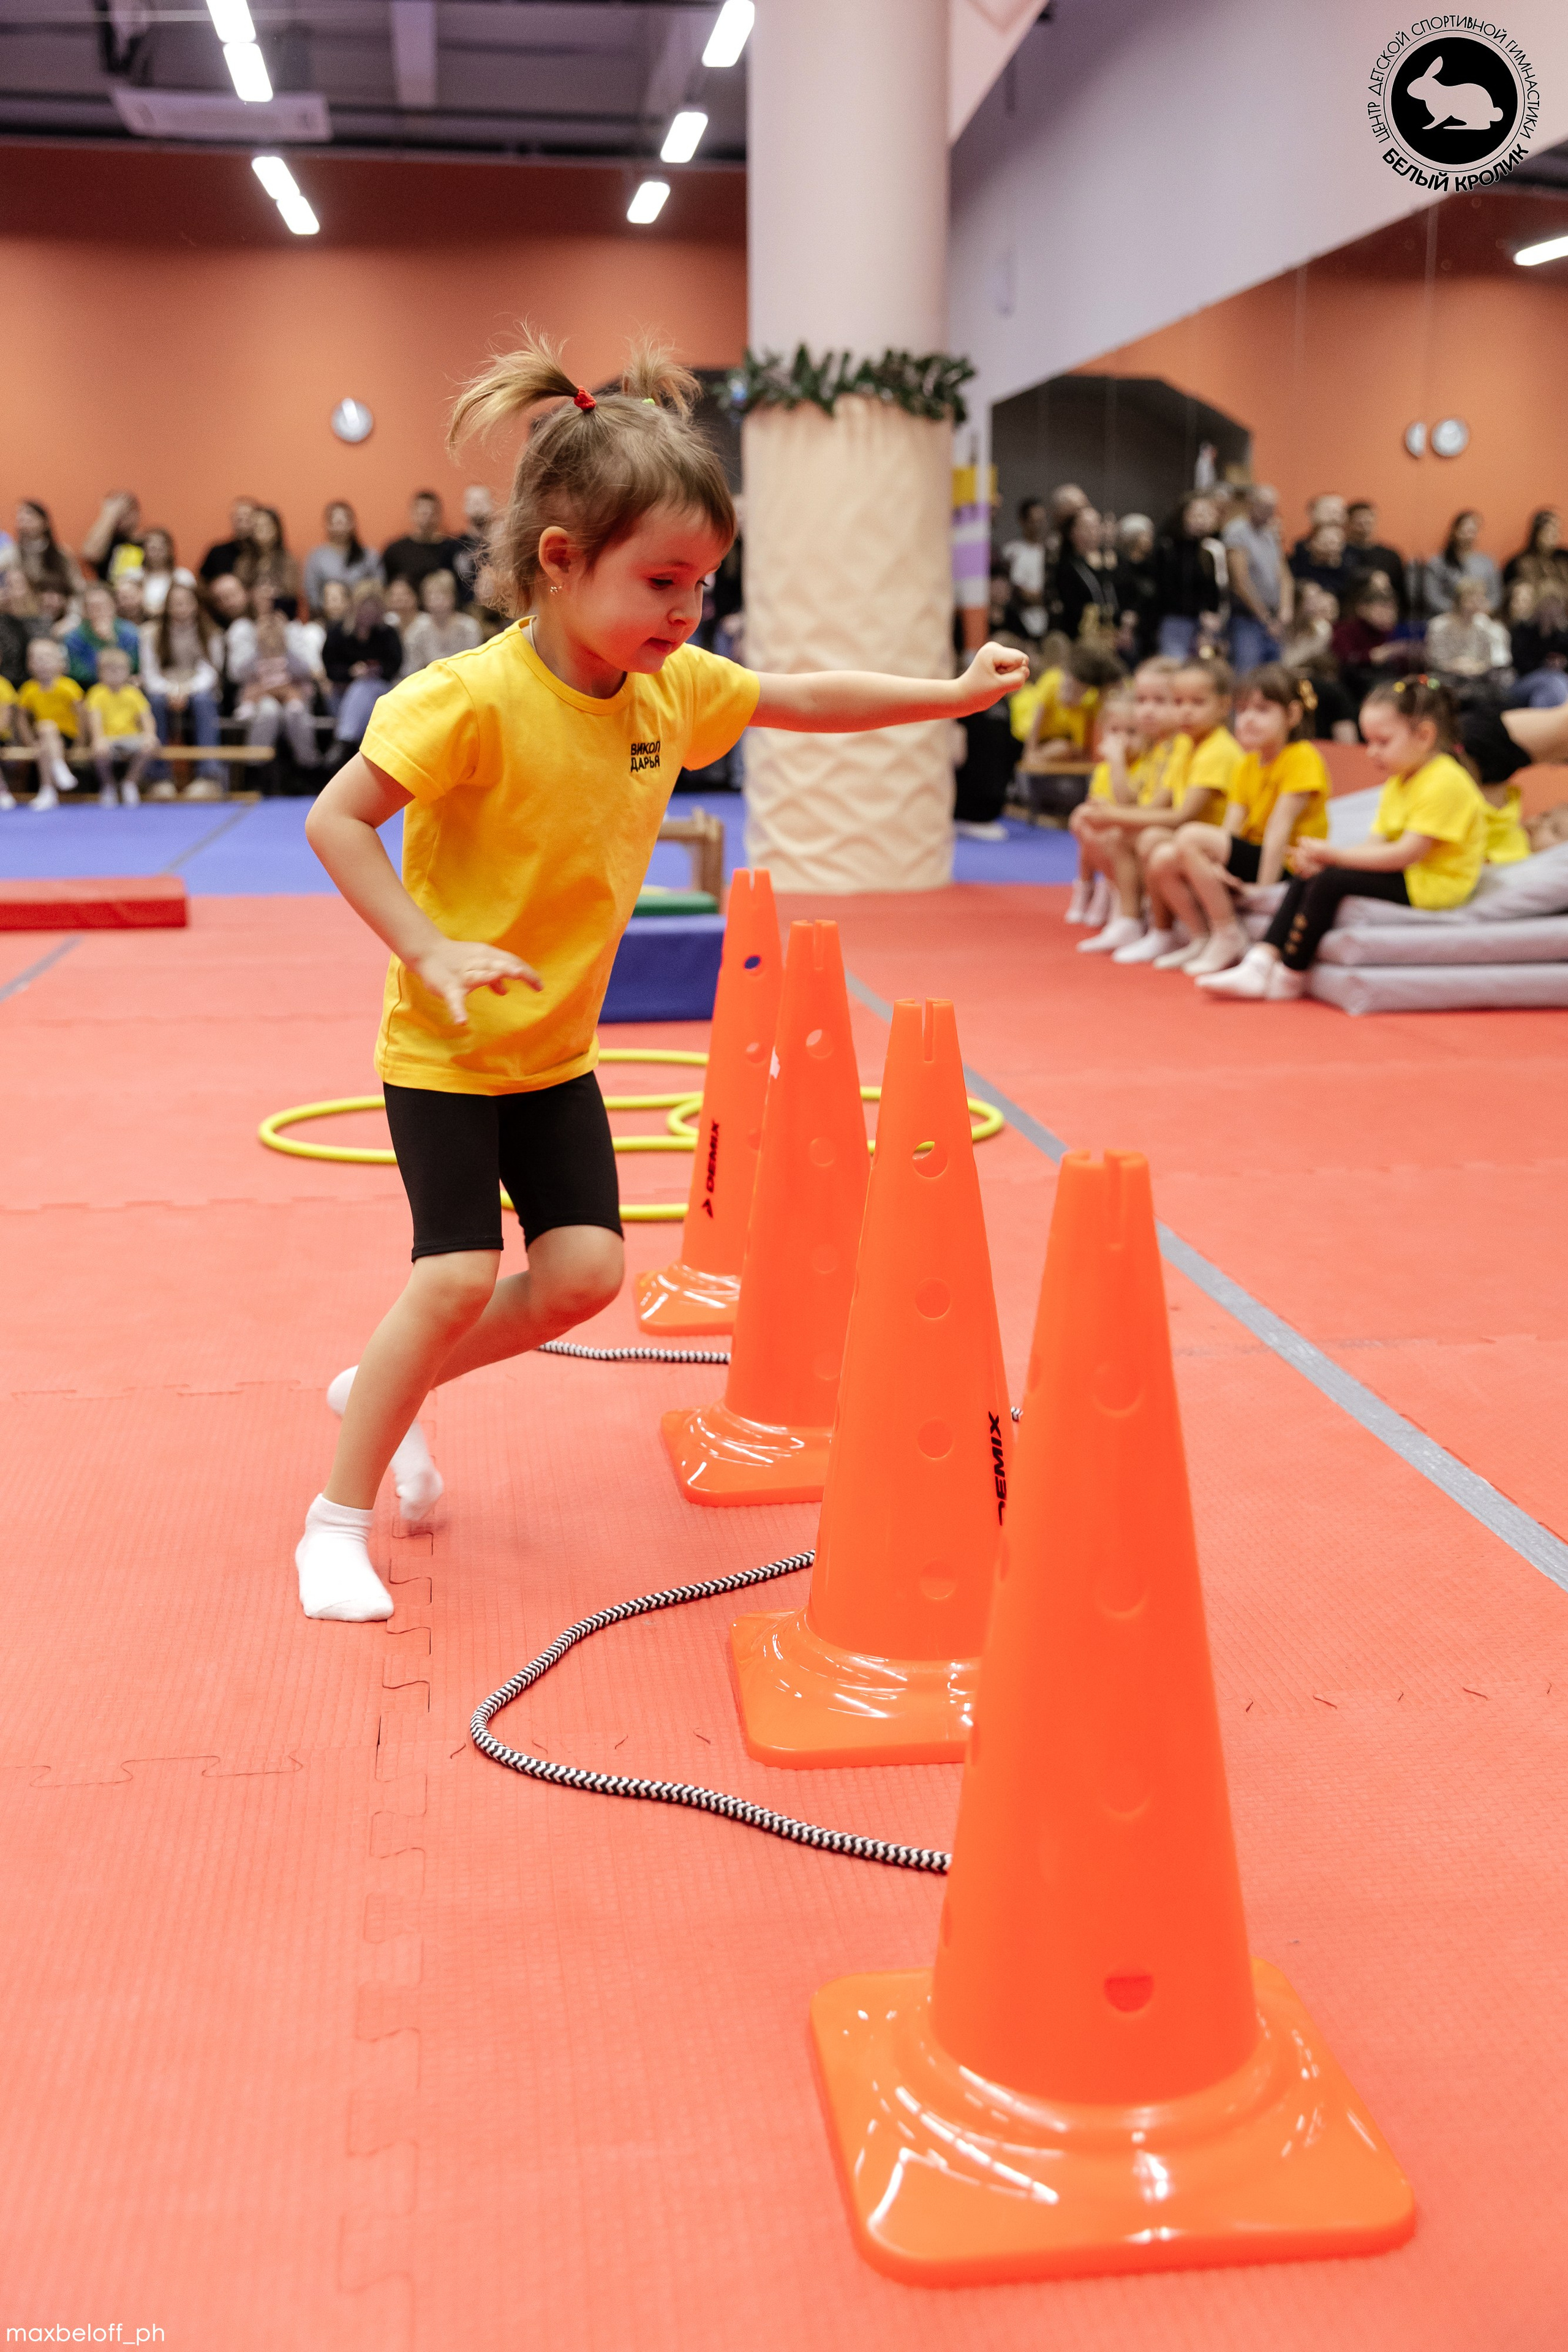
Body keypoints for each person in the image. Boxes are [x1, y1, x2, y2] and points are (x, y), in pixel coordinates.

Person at [290, 330, 1029, 1621]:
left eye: (702, 587)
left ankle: (385, 1385)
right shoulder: (466, 700)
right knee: (453, 1276)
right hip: (449, 1051)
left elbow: (803, 697)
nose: (687, 614)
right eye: (662, 583)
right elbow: (336, 820)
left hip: (555, 1053)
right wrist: (427, 946)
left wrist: (948, 696)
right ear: (559, 561)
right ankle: (333, 1523)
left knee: (585, 1277)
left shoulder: (667, 691)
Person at [1200, 676, 1487, 1001]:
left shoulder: (1445, 781)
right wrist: (1326, 856)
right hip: (1413, 874)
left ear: (1424, 736)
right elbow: (1375, 843)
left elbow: (1406, 854)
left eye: (1383, 742)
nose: (1371, 753)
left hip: (1436, 883)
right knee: (1313, 872)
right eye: (1368, 742)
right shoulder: (1400, 781)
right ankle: (1261, 959)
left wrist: (1335, 858)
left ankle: (1290, 973)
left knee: (1330, 880)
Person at [1162, 666, 1331, 976]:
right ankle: (1201, 936)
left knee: (1190, 836)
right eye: (1242, 711)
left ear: (1293, 715)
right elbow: (1231, 827)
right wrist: (1218, 867)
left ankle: (1228, 933)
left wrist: (1263, 891)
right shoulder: (1247, 764)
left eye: (1262, 710)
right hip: (1255, 853)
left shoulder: (1302, 757)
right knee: (1164, 857)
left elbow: (1279, 831)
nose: (1249, 719)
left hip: (1287, 863)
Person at [1098, 659, 1246, 963]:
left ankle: (1177, 930)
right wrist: (1115, 816)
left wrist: (1114, 815)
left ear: (1223, 706)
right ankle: (1144, 924)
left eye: (1197, 703)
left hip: (1215, 841)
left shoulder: (1218, 750)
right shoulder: (1186, 745)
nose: (1186, 712)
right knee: (1127, 835)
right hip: (1189, 837)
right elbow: (1158, 806)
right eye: (1179, 703)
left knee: (1149, 840)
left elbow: (1183, 816)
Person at [140, 578, 225, 797]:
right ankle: (159, 777)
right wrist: (171, 690)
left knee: (204, 701)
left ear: (196, 604)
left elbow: (210, 672)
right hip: (164, 689)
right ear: (167, 607)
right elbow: (150, 674)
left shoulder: (210, 632)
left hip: (198, 689)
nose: (181, 608)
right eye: (175, 603)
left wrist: (186, 689)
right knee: (154, 703)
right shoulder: (151, 633)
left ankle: (209, 774)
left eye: (186, 602)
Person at [1065, 683, 1138, 922]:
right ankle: (1085, 886)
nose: (1122, 740)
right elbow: (1094, 801)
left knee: (1106, 833)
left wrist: (1118, 763)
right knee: (1083, 822)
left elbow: (1126, 804)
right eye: (1114, 731)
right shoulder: (1103, 769)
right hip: (1106, 826)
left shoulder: (1138, 766)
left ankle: (1110, 887)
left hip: (1124, 828)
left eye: (1131, 732)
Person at [233, 612, 321, 777]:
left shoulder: (292, 640)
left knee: (295, 713)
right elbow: (238, 673)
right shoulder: (254, 647)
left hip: (291, 693)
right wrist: (259, 646)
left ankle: (308, 767)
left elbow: (306, 670)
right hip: (262, 696)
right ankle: (255, 770)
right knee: (269, 711)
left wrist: (285, 646)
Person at [324, 584, 404, 751]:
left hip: (378, 689)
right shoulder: (338, 632)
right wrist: (351, 672)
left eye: (373, 608)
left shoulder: (388, 634)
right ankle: (359, 746)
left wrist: (375, 671)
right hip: (342, 689)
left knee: (364, 688)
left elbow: (394, 665)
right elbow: (330, 667)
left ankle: (344, 740)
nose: (368, 613)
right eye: (364, 608)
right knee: (353, 692)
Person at [1223, 484, 1291, 673]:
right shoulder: (1237, 532)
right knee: (1247, 674)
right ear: (1250, 504)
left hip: (1274, 617)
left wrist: (1285, 610)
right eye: (1264, 506)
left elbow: (1285, 575)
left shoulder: (1270, 533)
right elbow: (1240, 582)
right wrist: (1266, 619)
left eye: (1272, 507)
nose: (1269, 511)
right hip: (1247, 618)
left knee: (1274, 676)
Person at [15, 635, 83, 809]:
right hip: (44, 739)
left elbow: (82, 716)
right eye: (37, 659)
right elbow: (21, 719)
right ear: (29, 664)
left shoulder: (69, 687)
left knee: (46, 727)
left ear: (60, 663)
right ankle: (51, 785)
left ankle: (50, 783)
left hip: (67, 736)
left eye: (47, 658)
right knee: (45, 737)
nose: (42, 664)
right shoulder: (29, 689)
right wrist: (29, 741)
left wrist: (81, 742)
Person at [83, 644, 157, 807]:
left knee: (150, 746)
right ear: (100, 673)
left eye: (119, 669)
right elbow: (94, 719)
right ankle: (108, 785)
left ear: (128, 672)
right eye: (109, 670)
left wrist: (150, 735)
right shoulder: (96, 693)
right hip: (108, 739)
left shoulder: (133, 693)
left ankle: (130, 783)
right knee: (99, 750)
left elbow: (146, 717)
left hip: (131, 737)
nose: (114, 674)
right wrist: (98, 739)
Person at [1152, 495, 1223, 659]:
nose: (1200, 521)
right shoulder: (1167, 547)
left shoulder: (1208, 551)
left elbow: (1212, 590)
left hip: (1201, 623)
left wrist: (1211, 614)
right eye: (1196, 515)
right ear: (1183, 516)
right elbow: (1166, 589)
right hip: (1175, 618)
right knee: (1175, 663)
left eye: (1205, 515)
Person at [1332, 575, 1421, 705]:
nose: (1389, 614)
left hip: (1395, 682)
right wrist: (1372, 656)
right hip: (1359, 685)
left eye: (1392, 608)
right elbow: (1344, 660)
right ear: (1363, 609)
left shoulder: (1396, 632)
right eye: (1382, 608)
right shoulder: (1346, 630)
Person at [380, 490, 468, 598]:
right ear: (412, 514)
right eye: (422, 513)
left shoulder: (453, 549)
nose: (427, 518)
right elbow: (386, 588)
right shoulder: (395, 551)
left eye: (432, 513)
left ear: (439, 515)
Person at [1425, 578, 1510, 685]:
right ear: (1460, 600)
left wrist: (1478, 666)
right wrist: (1456, 665)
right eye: (1472, 597)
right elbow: (1435, 660)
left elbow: (1498, 658)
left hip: (1479, 679)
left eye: (1480, 597)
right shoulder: (1439, 625)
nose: (1477, 602)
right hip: (1445, 677)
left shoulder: (1486, 625)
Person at [1052, 505, 1119, 641]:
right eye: (1087, 527)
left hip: (1114, 635)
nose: (1093, 532)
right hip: (1081, 636)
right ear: (1072, 532)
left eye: (1096, 526)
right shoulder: (1066, 566)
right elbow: (1071, 606)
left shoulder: (1114, 562)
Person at [304, 501, 382, 613]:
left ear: (352, 523)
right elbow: (312, 592)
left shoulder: (369, 555)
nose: (340, 527)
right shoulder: (317, 557)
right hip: (328, 616)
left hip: (363, 616)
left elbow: (379, 586)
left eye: (344, 521)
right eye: (336, 522)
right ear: (327, 525)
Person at [1419, 511, 1499, 617]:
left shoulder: (1487, 563)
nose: (1468, 535)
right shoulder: (1437, 563)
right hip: (1447, 617)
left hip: (1481, 618)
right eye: (1464, 530)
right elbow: (1432, 597)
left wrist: (1484, 609)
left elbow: (1496, 595)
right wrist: (1460, 610)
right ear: (1455, 531)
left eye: (1472, 531)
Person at [402, 570, 482, 673]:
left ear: (453, 596)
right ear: (424, 599)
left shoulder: (469, 627)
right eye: (431, 595)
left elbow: (474, 665)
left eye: (442, 594)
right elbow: (412, 670)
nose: (436, 599)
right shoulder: (416, 631)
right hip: (428, 679)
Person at [64, 582, 140, 686]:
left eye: (103, 605)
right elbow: (77, 673)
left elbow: (135, 667)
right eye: (93, 606)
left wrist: (111, 641)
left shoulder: (130, 633)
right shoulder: (74, 638)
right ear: (85, 611)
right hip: (89, 688)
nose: (99, 610)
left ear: (114, 606)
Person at [1506, 583, 1568, 709]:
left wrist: (1563, 663)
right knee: (1554, 682)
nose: (1551, 609)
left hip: (1555, 680)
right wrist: (1544, 664)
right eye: (1548, 604)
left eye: (1556, 604)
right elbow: (1519, 663)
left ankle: (1539, 718)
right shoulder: (1523, 629)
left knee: (1544, 693)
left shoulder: (1562, 634)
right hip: (1523, 680)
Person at [1344, 499, 1409, 616]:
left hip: (1386, 616)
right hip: (1350, 615)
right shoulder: (1340, 553)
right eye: (1359, 521)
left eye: (1368, 520)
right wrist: (1371, 577)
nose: (1364, 525)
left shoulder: (1391, 555)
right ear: (1349, 523)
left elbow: (1401, 594)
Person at [235, 507, 303, 618]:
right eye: (257, 526)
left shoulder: (288, 560)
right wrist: (255, 595)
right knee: (240, 627)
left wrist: (271, 594)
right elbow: (239, 593)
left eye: (266, 525)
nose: (262, 530)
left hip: (282, 617)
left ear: (277, 529)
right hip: (252, 617)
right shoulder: (244, 562)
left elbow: (292, 593)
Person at [15, 500, 85, 601]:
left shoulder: (61, 552)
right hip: (27, 606)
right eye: (20, 516)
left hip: (60, 605)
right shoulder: (13, 553)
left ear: (45, 522)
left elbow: (77, 585)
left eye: (29, 514)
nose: (24, 519)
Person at [1001, 497, 1050, 639]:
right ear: (1023, 521)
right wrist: (1046, 599)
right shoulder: (1013, 552)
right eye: (1034, 521)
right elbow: (1019, 591)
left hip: (1047, 624)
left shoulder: (1051, 552)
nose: (1039, 526)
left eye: (1042, 521)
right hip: (1021, 623)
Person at [1114, 513, 1159, 661]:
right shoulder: (1120, 567)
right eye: (1146, 535)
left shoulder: (1153, 566)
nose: (1150, 539)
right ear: (1133, 537)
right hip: (1129, 630)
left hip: (1150, 630)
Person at [1502, 508, 1568, 603]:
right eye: (1549, 530)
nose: (1554, 535)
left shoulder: (1564, 558)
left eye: (1557, 530)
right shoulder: (1519, 562)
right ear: (1537, 533)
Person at [80, 491, 144, 584]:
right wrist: (110, 515)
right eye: (118, 512)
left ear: (136, 514)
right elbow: (90, 554)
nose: (120, 517)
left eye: (124, 511)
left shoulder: (146, 543)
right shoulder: (106, 544)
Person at [0, 565, 48, 690]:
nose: (9, 591)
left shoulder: (41, 621)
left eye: (16, 584)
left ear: (29, 588)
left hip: (36, 686)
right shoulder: (2, 622)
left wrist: (20, 612)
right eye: (6, 585)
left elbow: (41, 653)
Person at [1289, 515, 1352, 607]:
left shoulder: (1348, 567)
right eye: (1327, 543)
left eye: (1336, 543)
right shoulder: (1297, 563)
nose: (1332, 548)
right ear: (1312, 543)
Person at [133, 528, 192, 618]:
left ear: (169, 550)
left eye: (160, 548)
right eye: (152, 548)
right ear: (144, 549)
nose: (156, 552)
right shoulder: (133, 575)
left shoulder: (183, 576)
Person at [200, 497, 260, 585]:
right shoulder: (218, 552)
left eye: (247, 518)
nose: (242, 524)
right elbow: (201, 584)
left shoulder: (266, 552)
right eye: (238, 519)